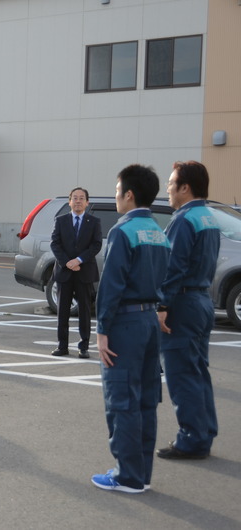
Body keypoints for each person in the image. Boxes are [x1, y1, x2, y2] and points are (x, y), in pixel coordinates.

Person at [90, 164, 171, 494]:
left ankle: (127, 476)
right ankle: (142, 473)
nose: (115, 197)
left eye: (117, 191)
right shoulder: (160, 233)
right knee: (145, 400)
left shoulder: (122, 232)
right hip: (150, 319)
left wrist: (102, 329)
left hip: (125, 322)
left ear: (129, 195)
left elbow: (111, 285)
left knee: (121, 399)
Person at [156, 161, 221, 460]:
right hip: (201, 300)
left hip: (182, 302)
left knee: (182, 374)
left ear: (185, 187)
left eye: (171, 183)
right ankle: (204, 432)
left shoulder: (184, 219)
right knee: (197, 372)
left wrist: (162, 305)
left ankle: (192, 439)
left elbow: (174, 266)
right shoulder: (208, 217)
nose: (168, 189)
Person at [50, 187, 102, 359]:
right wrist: (67, 262)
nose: (78, 201)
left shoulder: (93, 222)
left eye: (81, 198)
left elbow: (96, 245)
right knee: (62, 310)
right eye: (75, 198)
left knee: (85, 311)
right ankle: (62, 345)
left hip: (84, 271)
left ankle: (84, 346)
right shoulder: (60, 220)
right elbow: (55, 244)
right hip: (64, 272)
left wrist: (78, 260)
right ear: (69, 201)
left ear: (87, 202)